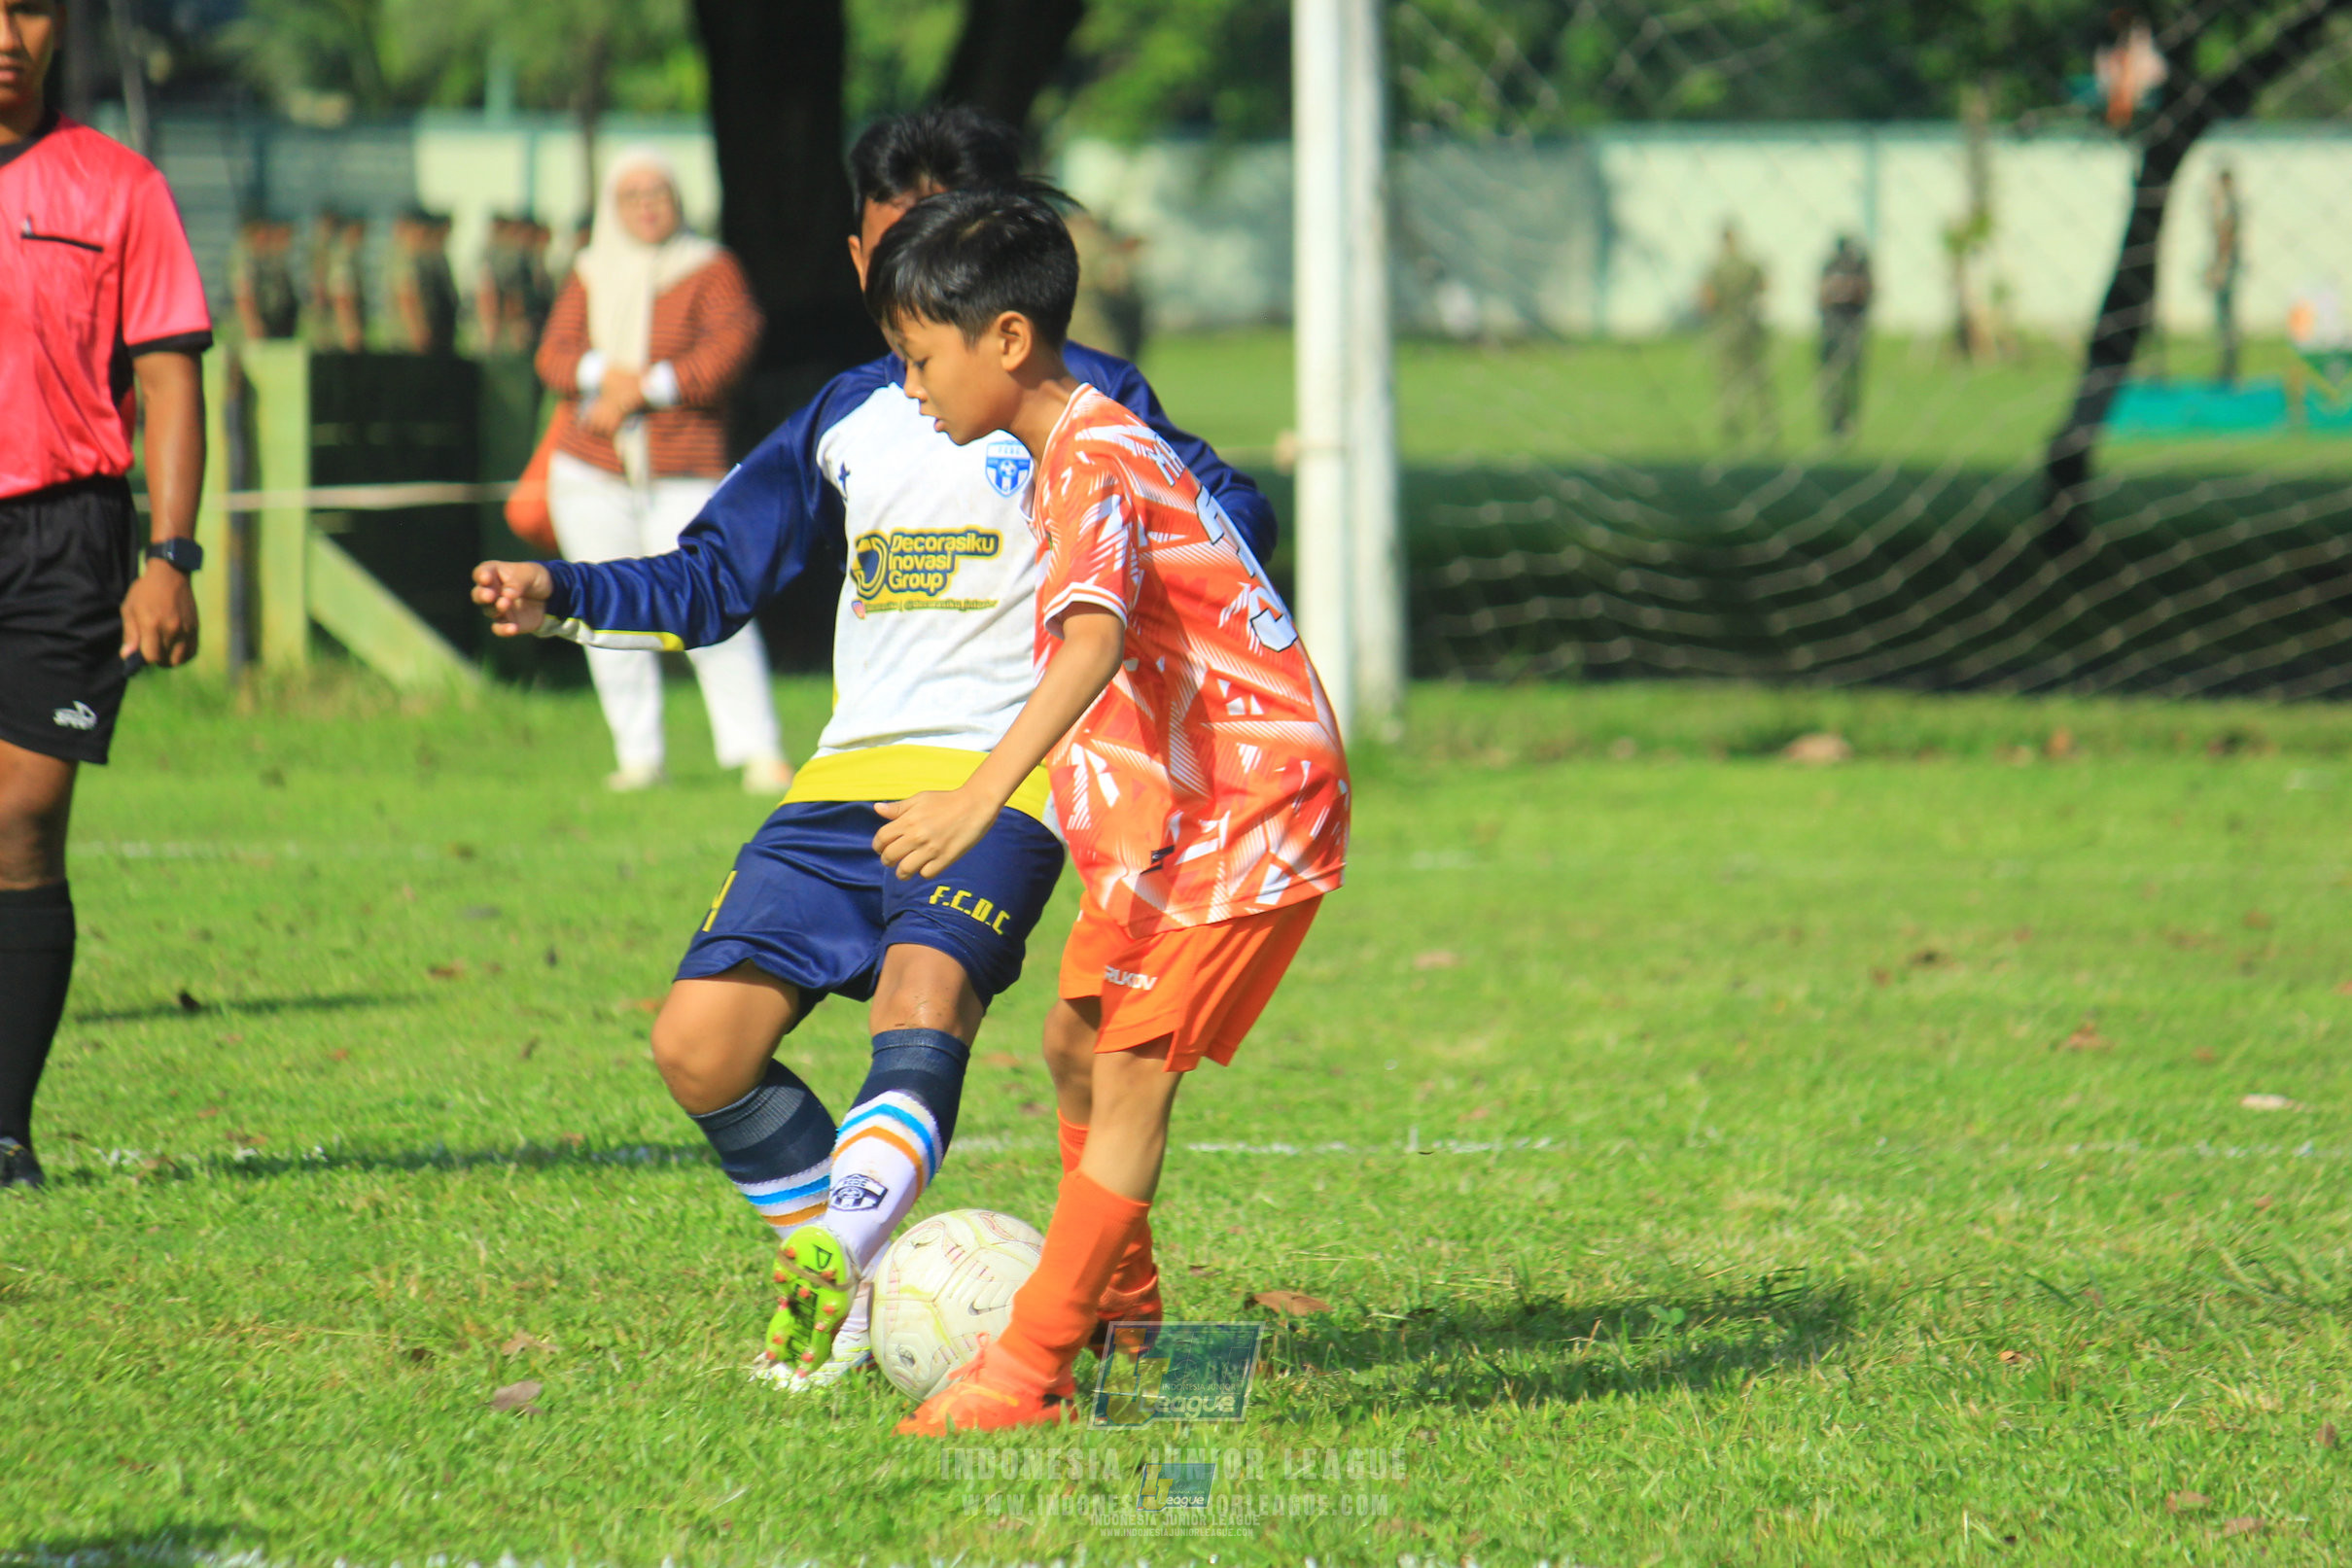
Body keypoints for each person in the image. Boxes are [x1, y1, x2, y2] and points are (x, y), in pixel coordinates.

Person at [469, 106, 1278, 1388]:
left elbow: (1221, 511)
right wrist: (560, 592)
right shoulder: (848, 415)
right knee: (697, 1043)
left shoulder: (1086, 406)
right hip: (842, 784)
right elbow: (711, 576)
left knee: (919, 1008)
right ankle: (837, 1276)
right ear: (862, 260)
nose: (922, 279)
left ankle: (830, 1274)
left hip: (994, 786)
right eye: (902, 250)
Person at [856, 186, 1349, 1435]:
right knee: (1073, 1040)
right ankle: (1129, 1316)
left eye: (920, 359)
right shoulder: (1065, 449)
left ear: (1006, 340)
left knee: (1128, 1076)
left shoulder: (1100, 453)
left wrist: (980, 793)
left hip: (1250, 805)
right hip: (1162, 818)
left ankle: (1029, 1370)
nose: (912, 388)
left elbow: (1089, 638)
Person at [0, 0, 211, 1190]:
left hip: (63, 535)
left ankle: (6, 1128)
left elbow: (169, 377)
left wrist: (170, 556)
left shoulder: (118, 187)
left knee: (24, 816)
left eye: (28, 6)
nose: (6, 30)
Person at [534, 150, 790, 794]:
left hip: (683, 469)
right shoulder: (592, 269)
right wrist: (606, 377)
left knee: (710, 602)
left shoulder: (710, 269)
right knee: (606, 613)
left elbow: (729, 347)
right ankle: (639, 756)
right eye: (631, 194)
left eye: (658, 191)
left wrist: (644, 389)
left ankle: (757, 751)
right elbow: (555, 354)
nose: (647, 204)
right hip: (591, 471)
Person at [1701, 222, 1775, 447]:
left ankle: (1731, 426)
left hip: (1726, 328)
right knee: (1758, 379)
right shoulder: (1751, 265)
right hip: (1750, 327)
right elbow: (1764, 288)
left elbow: (1708, 300)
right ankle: (1767, 425)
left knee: (1728, 379)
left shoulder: (1716, 268)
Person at [1816, 233, 1873, 439]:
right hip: (1847, 327)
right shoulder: (1857, 267)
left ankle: (1839, 421)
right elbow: (1867, 295)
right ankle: (1843, 421)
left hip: (1837, 327)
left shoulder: (1832, 267)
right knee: (1845, 379)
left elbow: (1821, 297)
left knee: (1838, 379)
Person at [392, 206, 459, 355]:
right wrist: (417, 330)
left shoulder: (417, 258)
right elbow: (407, 298)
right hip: (409, 340)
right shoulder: (405, 259)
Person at [231, 214, 300, 340]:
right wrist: (252, 324)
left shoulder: (268, 259)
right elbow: (243, 295)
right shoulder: (245, 259)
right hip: (252, 326)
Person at [2207, 167, 2242, 386]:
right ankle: (2227, 368)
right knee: (2225, 321)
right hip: (2227, 266)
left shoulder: (2229, 206)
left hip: (2226, 268)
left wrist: (2219, 268)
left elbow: (2225, 238)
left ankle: (2228, 370)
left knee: (2226, 321)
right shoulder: (2230, 205)